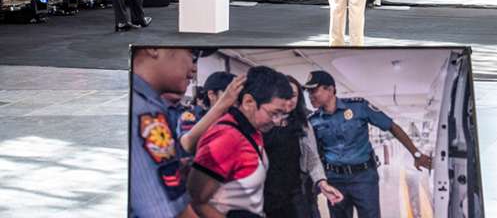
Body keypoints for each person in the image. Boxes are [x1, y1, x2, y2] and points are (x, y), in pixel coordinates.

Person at [304, 70, 433, 218]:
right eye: (308, 91)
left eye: (313, 90)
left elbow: (392, 127)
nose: (310, 95)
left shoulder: (359, 108)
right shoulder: (313, 121)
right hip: (334, 180)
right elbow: (313, 154)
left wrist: (416, 154)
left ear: (330, 89)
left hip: (363, 178)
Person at [187, 66, 293, 218]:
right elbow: (195, 201)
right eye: (273, 113)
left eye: (282, 115)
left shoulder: (254, 130)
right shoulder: (227, 138)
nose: (277, 122)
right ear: (249, 101)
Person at [262, 75, 344, 218]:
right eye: (283, 94)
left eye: (293, 95)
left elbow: (312, 158)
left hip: (295, 194)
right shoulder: (262, 122)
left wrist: (322, 183)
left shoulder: (303, 124)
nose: (288, 99)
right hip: (265, 194)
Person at [130, 47, 198, 218]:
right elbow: (169, 214)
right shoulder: (144, 111)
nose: (194, 68)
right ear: (154, 48)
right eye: (192, 54)